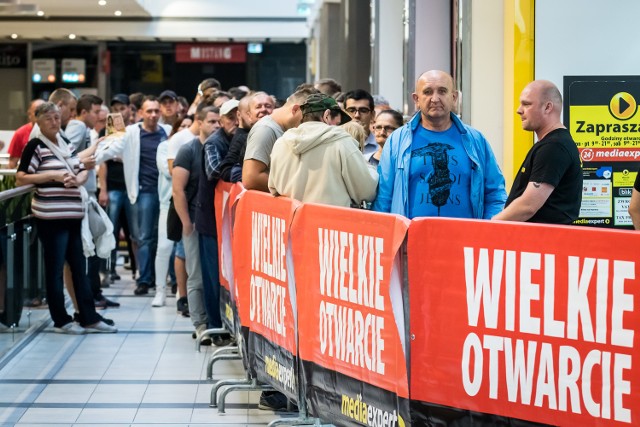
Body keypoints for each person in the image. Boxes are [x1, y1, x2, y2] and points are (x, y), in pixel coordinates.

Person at [16, 102, 116, 334]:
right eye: (49, 118)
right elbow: (22, 177)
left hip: (73, 215)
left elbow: (77, 166)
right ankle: (61, 319)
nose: (54, 122)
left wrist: (79, 178)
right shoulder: (36, 145)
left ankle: (88, 317)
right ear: (38, 121)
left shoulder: (65, 143)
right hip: (51, 217)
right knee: (54, 269)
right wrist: (52, 175)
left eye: (57, 117)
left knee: (79, 267)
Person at [373, 70, 506, 219]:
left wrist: (488, 229)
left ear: (454, 97)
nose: (435, 99)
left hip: (464, 239)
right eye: (428, 92)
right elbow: (383, 197)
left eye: (442, 91)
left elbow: (495, 193)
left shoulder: (476, 140)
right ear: (416, 99)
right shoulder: (396, 141)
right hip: (412, 239)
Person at [95, 96, 173, 296]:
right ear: (140, 113)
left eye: (156, 111)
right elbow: (111, 149)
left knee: (166, 237)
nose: (153, 115)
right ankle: (144, 279)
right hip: (143, 190)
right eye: (149, 111)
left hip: (165, 192)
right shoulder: (131, 132)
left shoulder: (167, 132)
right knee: (144, 237)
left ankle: (166, 279)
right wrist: (89, 157)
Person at [493, 80, 582, 224]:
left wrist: (489, 226)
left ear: (547, 107)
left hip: (544, 243)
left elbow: (528, 206)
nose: (519, 110)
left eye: (527, 104)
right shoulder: (553, 144)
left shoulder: (554, 147)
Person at [174, 105, 225, 345]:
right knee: (196, 275)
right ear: (200, 122)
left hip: (214, 223)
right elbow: (178, 190)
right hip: (194, 221)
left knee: (212, 275)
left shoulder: (219, 147)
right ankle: (201, 323)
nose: (216, 126)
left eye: (218, 121)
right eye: (211, 121)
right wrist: (186, 222)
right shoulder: (189, 150)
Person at [269, 93, 377, 207]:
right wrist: (369, 168)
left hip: (291, 221)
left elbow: (273, 188)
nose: (338, 127)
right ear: (326, 115)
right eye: (338, 123)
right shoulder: (341, 142)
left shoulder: (281, 143)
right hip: (329, 223)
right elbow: (367, 191)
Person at [242, 84, 319, 192]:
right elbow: (251, 178)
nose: (308, 124)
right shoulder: (265, 129)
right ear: (295, 109)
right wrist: (296, 189)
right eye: (308, 118)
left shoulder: (279, 128)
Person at [219, 91, 274, 182]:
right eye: (258, 107)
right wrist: (248, 176)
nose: (263, 110)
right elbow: (226, 169)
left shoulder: (279, 132)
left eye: (268, 106)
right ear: (249, 114)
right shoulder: (243, 138)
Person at [8, 98, 45, 168]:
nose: (41, 115)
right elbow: (12, 162)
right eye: (37, 112)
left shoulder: (54, 132)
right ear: (29, 114)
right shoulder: (20, 133)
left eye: (44, 112)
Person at [344, 89, 377, 157]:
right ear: (343, 114)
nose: (357, 115)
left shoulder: (381, 147)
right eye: (351, 110)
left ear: (372, 115)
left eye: (363, 110)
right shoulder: (334, 145)